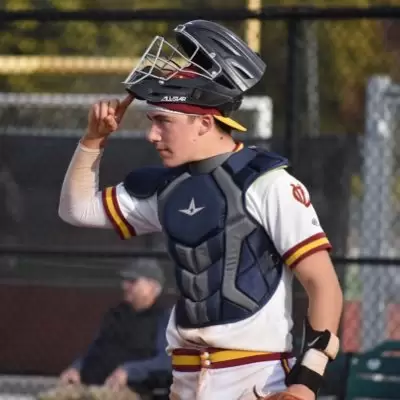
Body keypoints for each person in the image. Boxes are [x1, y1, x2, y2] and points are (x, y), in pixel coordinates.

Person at [58, 20, 343, 400]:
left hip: (257, 380)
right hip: (185, 378)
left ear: (205, 123)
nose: (152, 134)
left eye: (163, 122)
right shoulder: (168, 188)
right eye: (152, 122)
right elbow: (77, 210)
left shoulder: (269, 184)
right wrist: (93, 141)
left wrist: (306, 384)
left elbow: (323, 285)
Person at [58, 260, 172, 398]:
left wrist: (129, 371)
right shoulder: (115, 314)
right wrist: (76, 368)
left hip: (134, 391)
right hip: (94, 386)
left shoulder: (164, 318)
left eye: (132, 281)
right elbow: (95, 349)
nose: (125, 286)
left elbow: (166, 362)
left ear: (152, 287)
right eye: (125, 281)